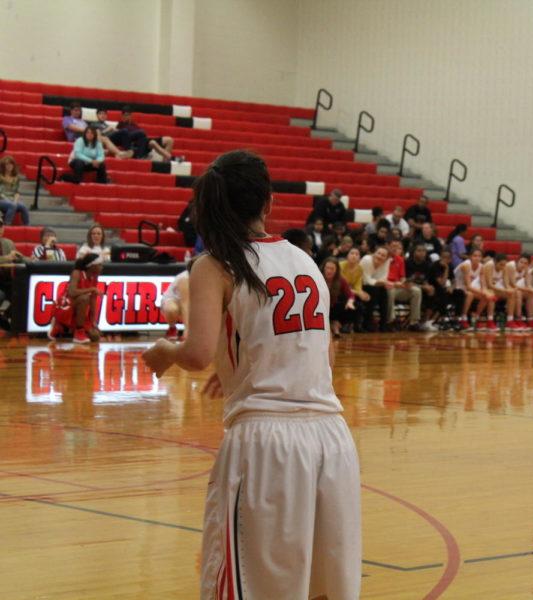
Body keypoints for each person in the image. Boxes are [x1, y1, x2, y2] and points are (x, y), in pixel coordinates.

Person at [140, 150, 361, 599]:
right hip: (332, 443)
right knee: (323, 589)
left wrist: (166, 351)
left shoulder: (214, 264)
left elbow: (198, 353)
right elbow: (325, 356)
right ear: (269, 202)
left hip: (267, 447)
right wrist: (246, 367)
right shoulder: (304, 260)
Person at [48, 253, 104, 343]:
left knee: (95, 336)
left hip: (78, 311)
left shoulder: (94, 278)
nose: (102, 267)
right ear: (92, 266)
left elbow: (93, 303)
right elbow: (72, 292)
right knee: (84, 298)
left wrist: (93, 323)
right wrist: (92, 289)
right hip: (64, 307)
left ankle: (66, 329)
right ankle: (62, 325)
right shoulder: (77, 273)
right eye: (100, 265)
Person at [111, 106, 176, 161]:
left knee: (169, 140)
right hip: (137, 145)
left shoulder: (134, 125)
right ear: (122, 116)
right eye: (125, 115)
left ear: (131, 115)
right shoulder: (121, 125)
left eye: (129, 115)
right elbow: (122, 139)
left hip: (145, 141)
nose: (127, 117)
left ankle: (166, 162)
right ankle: (171, 159)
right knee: (153, 142)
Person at [386, 239, 423, 331]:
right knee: (390, 290)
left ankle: (413, 322)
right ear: (388, 246)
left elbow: (402, 277)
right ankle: (391, 321)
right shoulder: (384, 258)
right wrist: (394, 284)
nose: (395, 248)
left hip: (399, 287)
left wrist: (405, 282)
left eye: (397, 247)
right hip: (388, 286)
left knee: (416, 290)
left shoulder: (400, 260)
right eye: (393, 246)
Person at [454, 248, 494, 330]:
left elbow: (483, 285)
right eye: (475, 256)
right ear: (470, 257)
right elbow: (468, 286)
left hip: (468, 287)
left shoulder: (481, 267)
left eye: (479, 256)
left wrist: (486, 292)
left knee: (487, 296)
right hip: (456, 286)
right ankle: (463, 318)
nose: (477, 258)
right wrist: (484, 292)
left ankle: (476, 317)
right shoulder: (466, 265)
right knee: (470, 294)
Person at [321, 257, 357, 337]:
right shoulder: (318, 277)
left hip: (334, 308)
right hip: (321, 307)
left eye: (332, 269)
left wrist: (350, 302)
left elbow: (350, 294)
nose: (329, 271)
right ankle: (333, 326)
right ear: (323, 268)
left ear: (336, 270)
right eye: (327, 268)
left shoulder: (341, 280)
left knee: (354, 307)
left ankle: (335, 324)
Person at [360, 245, 392, 332]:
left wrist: (383, 282)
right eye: (378, 253)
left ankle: (383, 324)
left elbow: (383, 277)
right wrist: (382, 282)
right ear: (374, 253)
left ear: (386, 258)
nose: (380, 256)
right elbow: (366, 280)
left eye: (383, 255)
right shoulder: (366, 260)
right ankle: (367, 323)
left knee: (383, 291)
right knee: (374, 290)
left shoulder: (387, 262)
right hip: (361, 284)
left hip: (373, 285)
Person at [339, 247, 369, 330]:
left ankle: (358, 325)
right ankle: (344, 323)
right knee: (349, 298)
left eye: (357, 254)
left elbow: (358, 286)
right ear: (347, 256)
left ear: (359, 258)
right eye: (352, 253)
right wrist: (358, 293)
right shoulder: (341, 265)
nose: (354, 256)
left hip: (350, 291)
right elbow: (341, 285)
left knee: (362, 300)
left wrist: (362, 294)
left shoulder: (360, 269)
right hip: (339, 290)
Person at [0, 222, 25, 319]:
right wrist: (8, 258)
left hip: (7, 280)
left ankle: (5, 318)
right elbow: (9, 258)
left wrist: (31, 260)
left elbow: (17, 258)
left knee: (23, 294)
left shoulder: (8, 243)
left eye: (1, 226)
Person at [426, 248, 452, 327]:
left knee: (457, 293)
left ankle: (457, 319)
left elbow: (454, 280)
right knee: (443, 296)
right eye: (444, 257)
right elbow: (442, 283)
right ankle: (430, 321)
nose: (445, 259)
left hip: (442, 289)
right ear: (440, 257)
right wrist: (446, 269)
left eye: (448, 257)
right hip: (433, 287)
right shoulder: (435, 266)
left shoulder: (451, 265)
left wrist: (452, 287)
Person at [0, 156, 30, 225]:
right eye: (7, 164)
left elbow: (17, 192)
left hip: (11, 200)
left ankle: (27, 226)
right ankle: (7, 225)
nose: (9, 166)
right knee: (12, 205)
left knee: (23, 206)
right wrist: (9, 201)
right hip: (1, 199)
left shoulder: (16, 178)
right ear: (3, 166)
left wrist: (15, 201)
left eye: (11, 164)